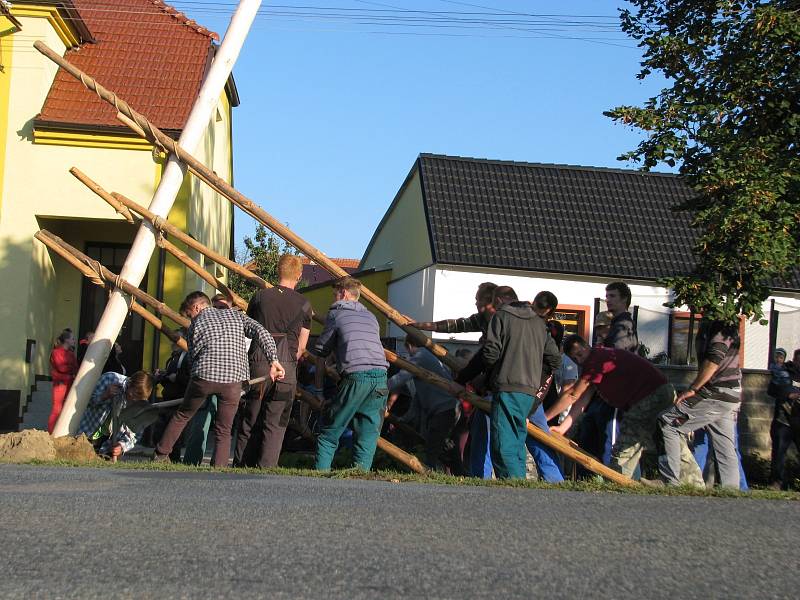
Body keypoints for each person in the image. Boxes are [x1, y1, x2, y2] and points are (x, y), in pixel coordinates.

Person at [153, 291, 285, 467]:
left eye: (191, 314)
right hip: (233, 381)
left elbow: (192, 356)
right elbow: (262, 331)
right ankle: (220, 468)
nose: (191, 318)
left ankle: (161, 454)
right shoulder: (238, 317)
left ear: (197, 307)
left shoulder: (197, 323)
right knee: (224, 430)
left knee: (183, 415)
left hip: (204, 376)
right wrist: (273, 360)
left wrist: (196, 376)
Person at [457, 286, 561, 479]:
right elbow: (555, 359)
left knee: (503, 442)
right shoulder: (539, 324)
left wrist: (489, 375)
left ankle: (511, 486)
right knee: (518, 439)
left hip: (507, 386)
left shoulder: (502, 317)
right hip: (530, 392)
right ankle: (534, 482)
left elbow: (490, 353)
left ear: (498, 300)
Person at [547, 335, 677, 478]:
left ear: (587, 347)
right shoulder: (597, 360)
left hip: (650, 394)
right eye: (574, 359)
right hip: (661, 391)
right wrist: (562, 427)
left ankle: (618, 481)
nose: (579, 360)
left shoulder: (595, 360)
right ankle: (690, 480)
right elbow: (582, 400)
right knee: (666, 438)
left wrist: (545, 417)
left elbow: (572, 395)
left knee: (627, 441)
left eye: (579, 354)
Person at [235, 254, 313, 469]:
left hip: (259, 363)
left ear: (278, 271)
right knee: (276, 423)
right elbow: (302, 347)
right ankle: (266, 469)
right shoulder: (305, 304)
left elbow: (248, 331)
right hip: (286, 368)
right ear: (299, 275)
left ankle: (241, 467)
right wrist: (287, 361)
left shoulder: (260, 297)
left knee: (250, 419)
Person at [413, 282, 497, 479]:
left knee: (496, 439)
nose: (475, 302)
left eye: (478, 299)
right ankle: (478, 477)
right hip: (487, 385)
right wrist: (425, 325)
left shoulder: (499, 321)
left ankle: (501, 478)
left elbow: (489, 355)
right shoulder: (483, 319)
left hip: (500, 383)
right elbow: (458, 324)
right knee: (479, 435)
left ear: (488, 300)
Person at [311, 277, 389, 471]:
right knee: (366, 436)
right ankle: (360, 483)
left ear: (344, 294)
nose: (333, 299)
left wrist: (319, 391)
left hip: (356, 376)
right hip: (381, 376)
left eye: (334, 295)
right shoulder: (370, 316)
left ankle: (318, 481)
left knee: (330, 431)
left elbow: (321, 350)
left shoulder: (336, 312)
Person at [658, 320, 743, 488]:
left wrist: (693, 388)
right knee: (724, 443)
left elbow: (713, 362)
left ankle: (670, 480)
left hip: (716, 392)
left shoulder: (720, 328)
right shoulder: (724, 325)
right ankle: (732, 491)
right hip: (730, 393)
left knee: (668, 422)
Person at [387, 336, 460, 471]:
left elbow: (401, 377)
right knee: (442, 446)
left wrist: (380, 386)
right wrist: (405, 418)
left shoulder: (420, 355)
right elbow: (418, 398)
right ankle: (459, 473)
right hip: (448, 406)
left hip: (443, 408)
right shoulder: (428, 356)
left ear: (409, 346)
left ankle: (430, 474)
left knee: (434, 447)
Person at [78, 370, 154, 458]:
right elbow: (84, 403)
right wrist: (104, 395)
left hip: (108, 446)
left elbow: (135, 435)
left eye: (138, 400)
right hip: (87, 434)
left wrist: (122, 446)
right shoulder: (109, 379)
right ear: (130, 384)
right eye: (132, 396)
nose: (133, 401)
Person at [767, 347, 800, 488]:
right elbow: (772, 390)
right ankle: (777, 482)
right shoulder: (783, 372)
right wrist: (789, 394)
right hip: (783, 420)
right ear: (795, 360)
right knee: (779, 452)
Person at [48, 328, 78, 434]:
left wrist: (69, 370)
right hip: (60, 384)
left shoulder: (70, 353)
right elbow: (62, 368)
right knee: (57, 409)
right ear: (67, 340)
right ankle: (52, 433)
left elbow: (75, 367)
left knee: (66, 408)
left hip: (69, 383)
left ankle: (62, 432)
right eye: (72, 339)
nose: (74, 340)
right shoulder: (56, 352)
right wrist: (70, 370)